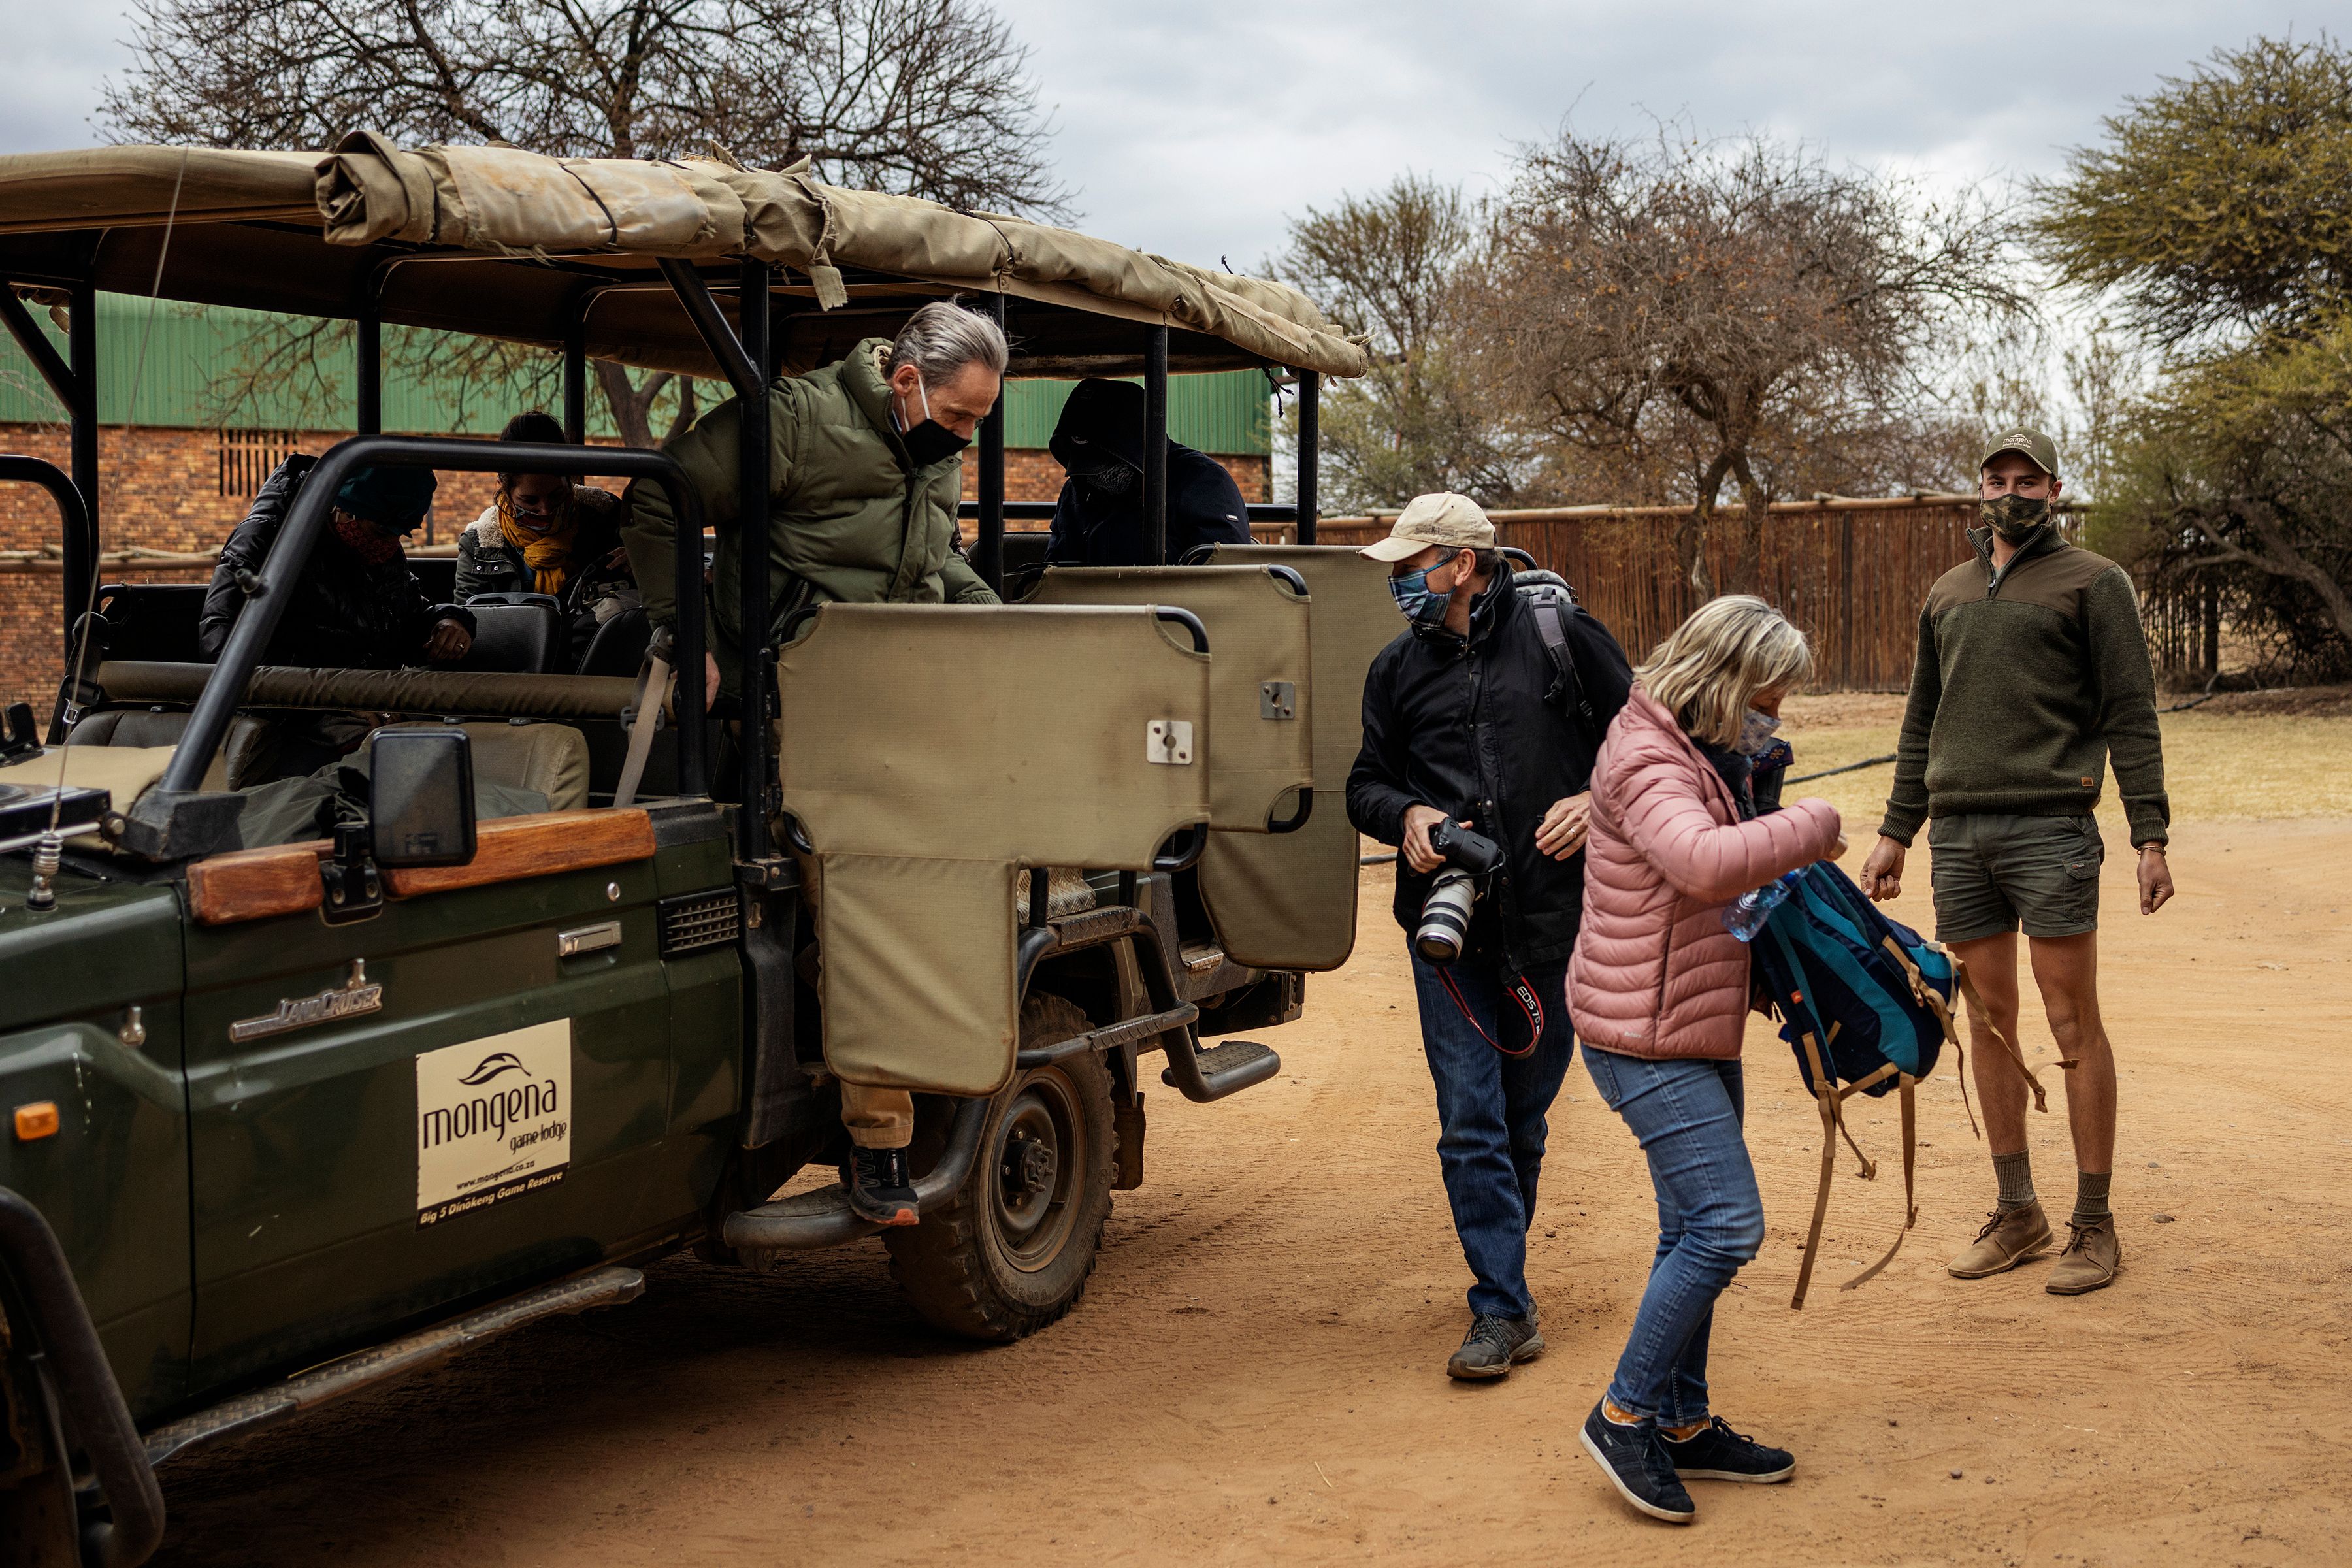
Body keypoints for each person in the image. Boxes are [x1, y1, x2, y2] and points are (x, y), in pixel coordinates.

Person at [623, 299, 1008, 1228]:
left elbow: (931, 567)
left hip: (909, 706)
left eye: (980, 424)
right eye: (958, 417)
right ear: (906, 381)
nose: (965, 438)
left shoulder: (934, 453)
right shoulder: (795, 422)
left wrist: (1002, 621)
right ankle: (880, 1147)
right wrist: (688, 634)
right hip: (807, 710)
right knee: (866, 903)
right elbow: (657, 499)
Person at [1858, 428, 2173, 1298]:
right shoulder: (1949, 591)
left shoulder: (2093, 583)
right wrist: (1896, 830)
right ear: (1980, 489)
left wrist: (2151, 835)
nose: (2010, 492)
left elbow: (2130, 712)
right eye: (1996, 478)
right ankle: (2018, 1210)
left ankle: (2095, 1223)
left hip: (2052, 827)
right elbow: (1922, 718)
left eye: (2026, 480)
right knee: (1989, 1022)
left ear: (2055, 490)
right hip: (1960, 836)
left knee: (2072, 1023)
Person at [1567, 595, 1844, 1524]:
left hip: (1684, 1021)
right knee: (1726, 1227)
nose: (1780, 711)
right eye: (1771, 693)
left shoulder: (1689, 747)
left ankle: (1683, 1424)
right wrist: (1811, 823)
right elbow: (1703, 863)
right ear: (1726, 678)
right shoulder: (1648, 755)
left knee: (1689, 1227)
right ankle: (1624, 1416)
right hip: (1641, 1035)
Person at [1345, 493, 1633, 1381]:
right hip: (1447, 930)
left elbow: (1651, 743)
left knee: (1521, 1116)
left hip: (1555, 921)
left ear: (1461, 564)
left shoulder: (1563, 636)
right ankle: (1502, 1306)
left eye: (1410, 566)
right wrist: (1410, 814)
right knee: (1470, 1121)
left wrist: (1597, 801)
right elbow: (1364, 785)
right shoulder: (1396, 670)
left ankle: (1504, 1284)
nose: (1400, 583)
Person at [198, 457, 474, 781]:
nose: (390, 545)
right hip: (290, 713)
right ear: (344, 508)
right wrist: (330, 699)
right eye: (383, 530)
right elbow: (221, 644)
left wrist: (446, 621)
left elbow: (404, 618)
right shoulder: (272, 539)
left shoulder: (377, 548)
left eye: (402, 534)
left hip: (362, 699)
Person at [455, 411, 632, 662]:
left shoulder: (605, 518)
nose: (546, 510)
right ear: (503, 488)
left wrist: (643, 562)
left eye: (557, 495)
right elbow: (466, 624)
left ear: (570, 481)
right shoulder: (480, 544)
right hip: (515, 665)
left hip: (595, 661)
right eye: (530, 500)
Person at [1041, 377, 1252, 565]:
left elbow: (1226, 576)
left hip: (1170, 605)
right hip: (1090, 604)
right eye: (1084, 466)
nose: (1093, 478)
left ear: (1134, 451)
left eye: (1103, 466)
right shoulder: (1078, 488)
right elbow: (1057, 566)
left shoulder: (1204, 483)